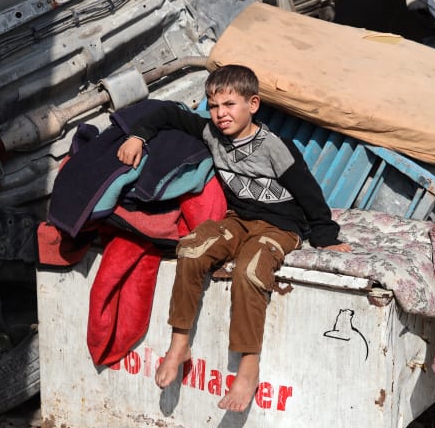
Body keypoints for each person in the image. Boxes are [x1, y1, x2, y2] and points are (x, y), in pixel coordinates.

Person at [116, 64, 351, 411]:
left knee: (251, 269)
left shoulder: (275, 147)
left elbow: (309, 192)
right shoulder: (212, 133)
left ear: (253, 104)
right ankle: (179, 343)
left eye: (229, 105)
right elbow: (167, 112)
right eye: (214, 106)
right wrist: (137, 136)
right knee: (193, 249)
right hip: (238, 220)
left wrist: (326, 237)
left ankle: (248, 366)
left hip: (279, 227)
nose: (220, 114)